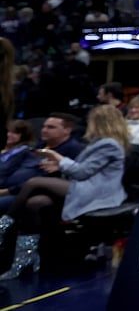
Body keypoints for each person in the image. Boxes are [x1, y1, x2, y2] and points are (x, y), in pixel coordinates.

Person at [0, 105, 129, 279]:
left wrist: (58, 159)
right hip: (86, 187)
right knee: (34, 203)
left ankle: (2, 228)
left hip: (97, 193)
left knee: (34, 183)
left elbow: (82, 172)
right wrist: (59, 164)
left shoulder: (109, 145)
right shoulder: (100, 143)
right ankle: (25, 259)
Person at [0, 120, 38, 214]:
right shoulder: (6, 150)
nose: (9, 135)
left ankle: (2, 228)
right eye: (9, 131)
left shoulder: (27, 152)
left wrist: (6, 191)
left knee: (8, 218)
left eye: (15, 133)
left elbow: (19, 178)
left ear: (24, 135)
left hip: (14, 193)